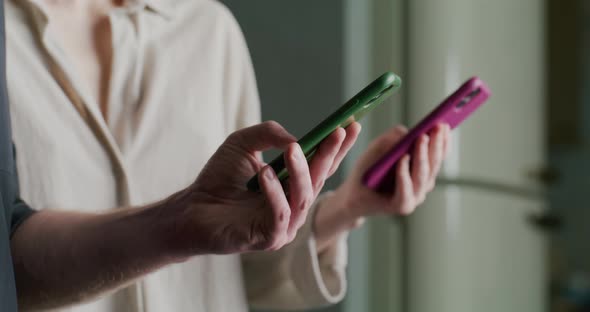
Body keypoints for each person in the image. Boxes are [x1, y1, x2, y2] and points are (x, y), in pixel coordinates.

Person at [4, 0, 451, 311]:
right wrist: (176, 224)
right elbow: (11, 268)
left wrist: (349, 205)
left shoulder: (208, 31)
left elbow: (235, 264)